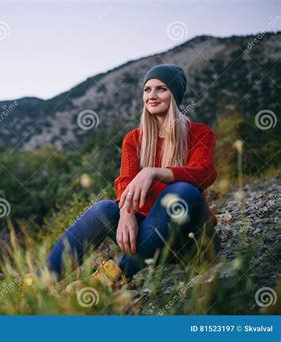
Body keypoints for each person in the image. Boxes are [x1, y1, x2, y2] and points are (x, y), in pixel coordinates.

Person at [45, 64, 221, 285]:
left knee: (182, 190)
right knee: (105, 208)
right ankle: (41, 283)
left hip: (194, 244)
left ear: (174, 95)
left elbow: (204, 173)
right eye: (147, 90)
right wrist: (127, 212)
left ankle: (108, 280)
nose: (152, 96)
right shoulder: (134, 139)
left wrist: (153, 172)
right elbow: (125, 181)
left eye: (161, 89)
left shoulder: (200, 133)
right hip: (151, 240)